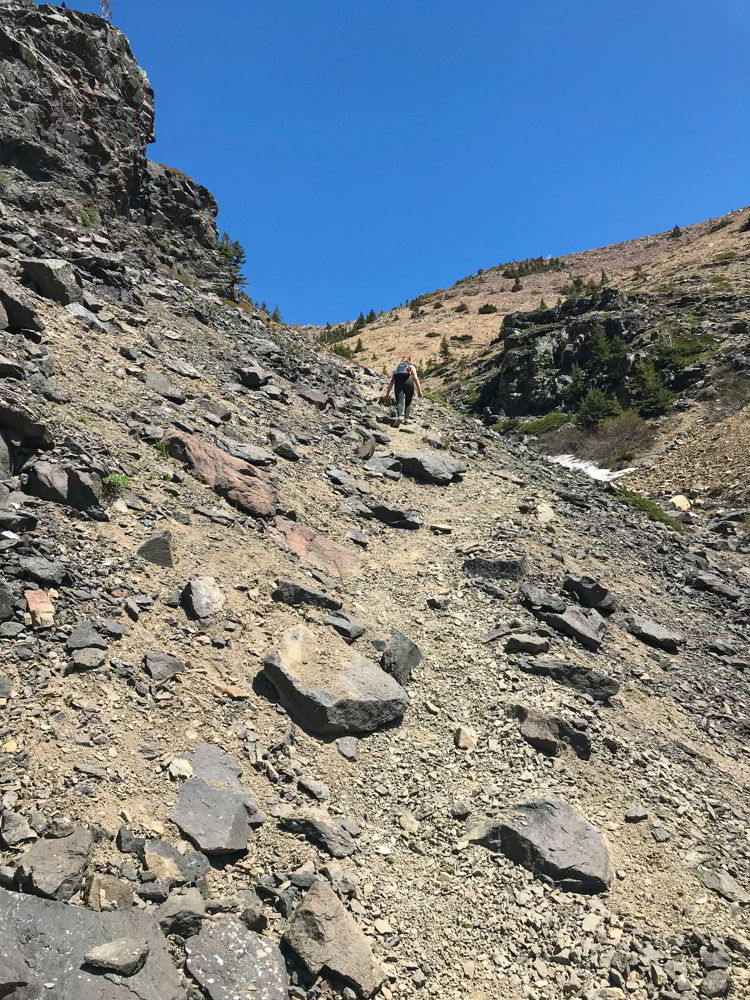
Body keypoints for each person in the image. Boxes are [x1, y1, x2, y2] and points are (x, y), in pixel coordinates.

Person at [384, 359, 422, 426]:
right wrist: (419, 391)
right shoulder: (411, 367)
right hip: (409, 382)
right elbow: (416, 378)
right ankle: (406, 419)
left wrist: (387, 394)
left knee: (400, 402)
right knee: (408, 402)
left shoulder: (397, 369)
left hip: (398, 383)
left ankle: (400, 417)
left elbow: (392, 382)